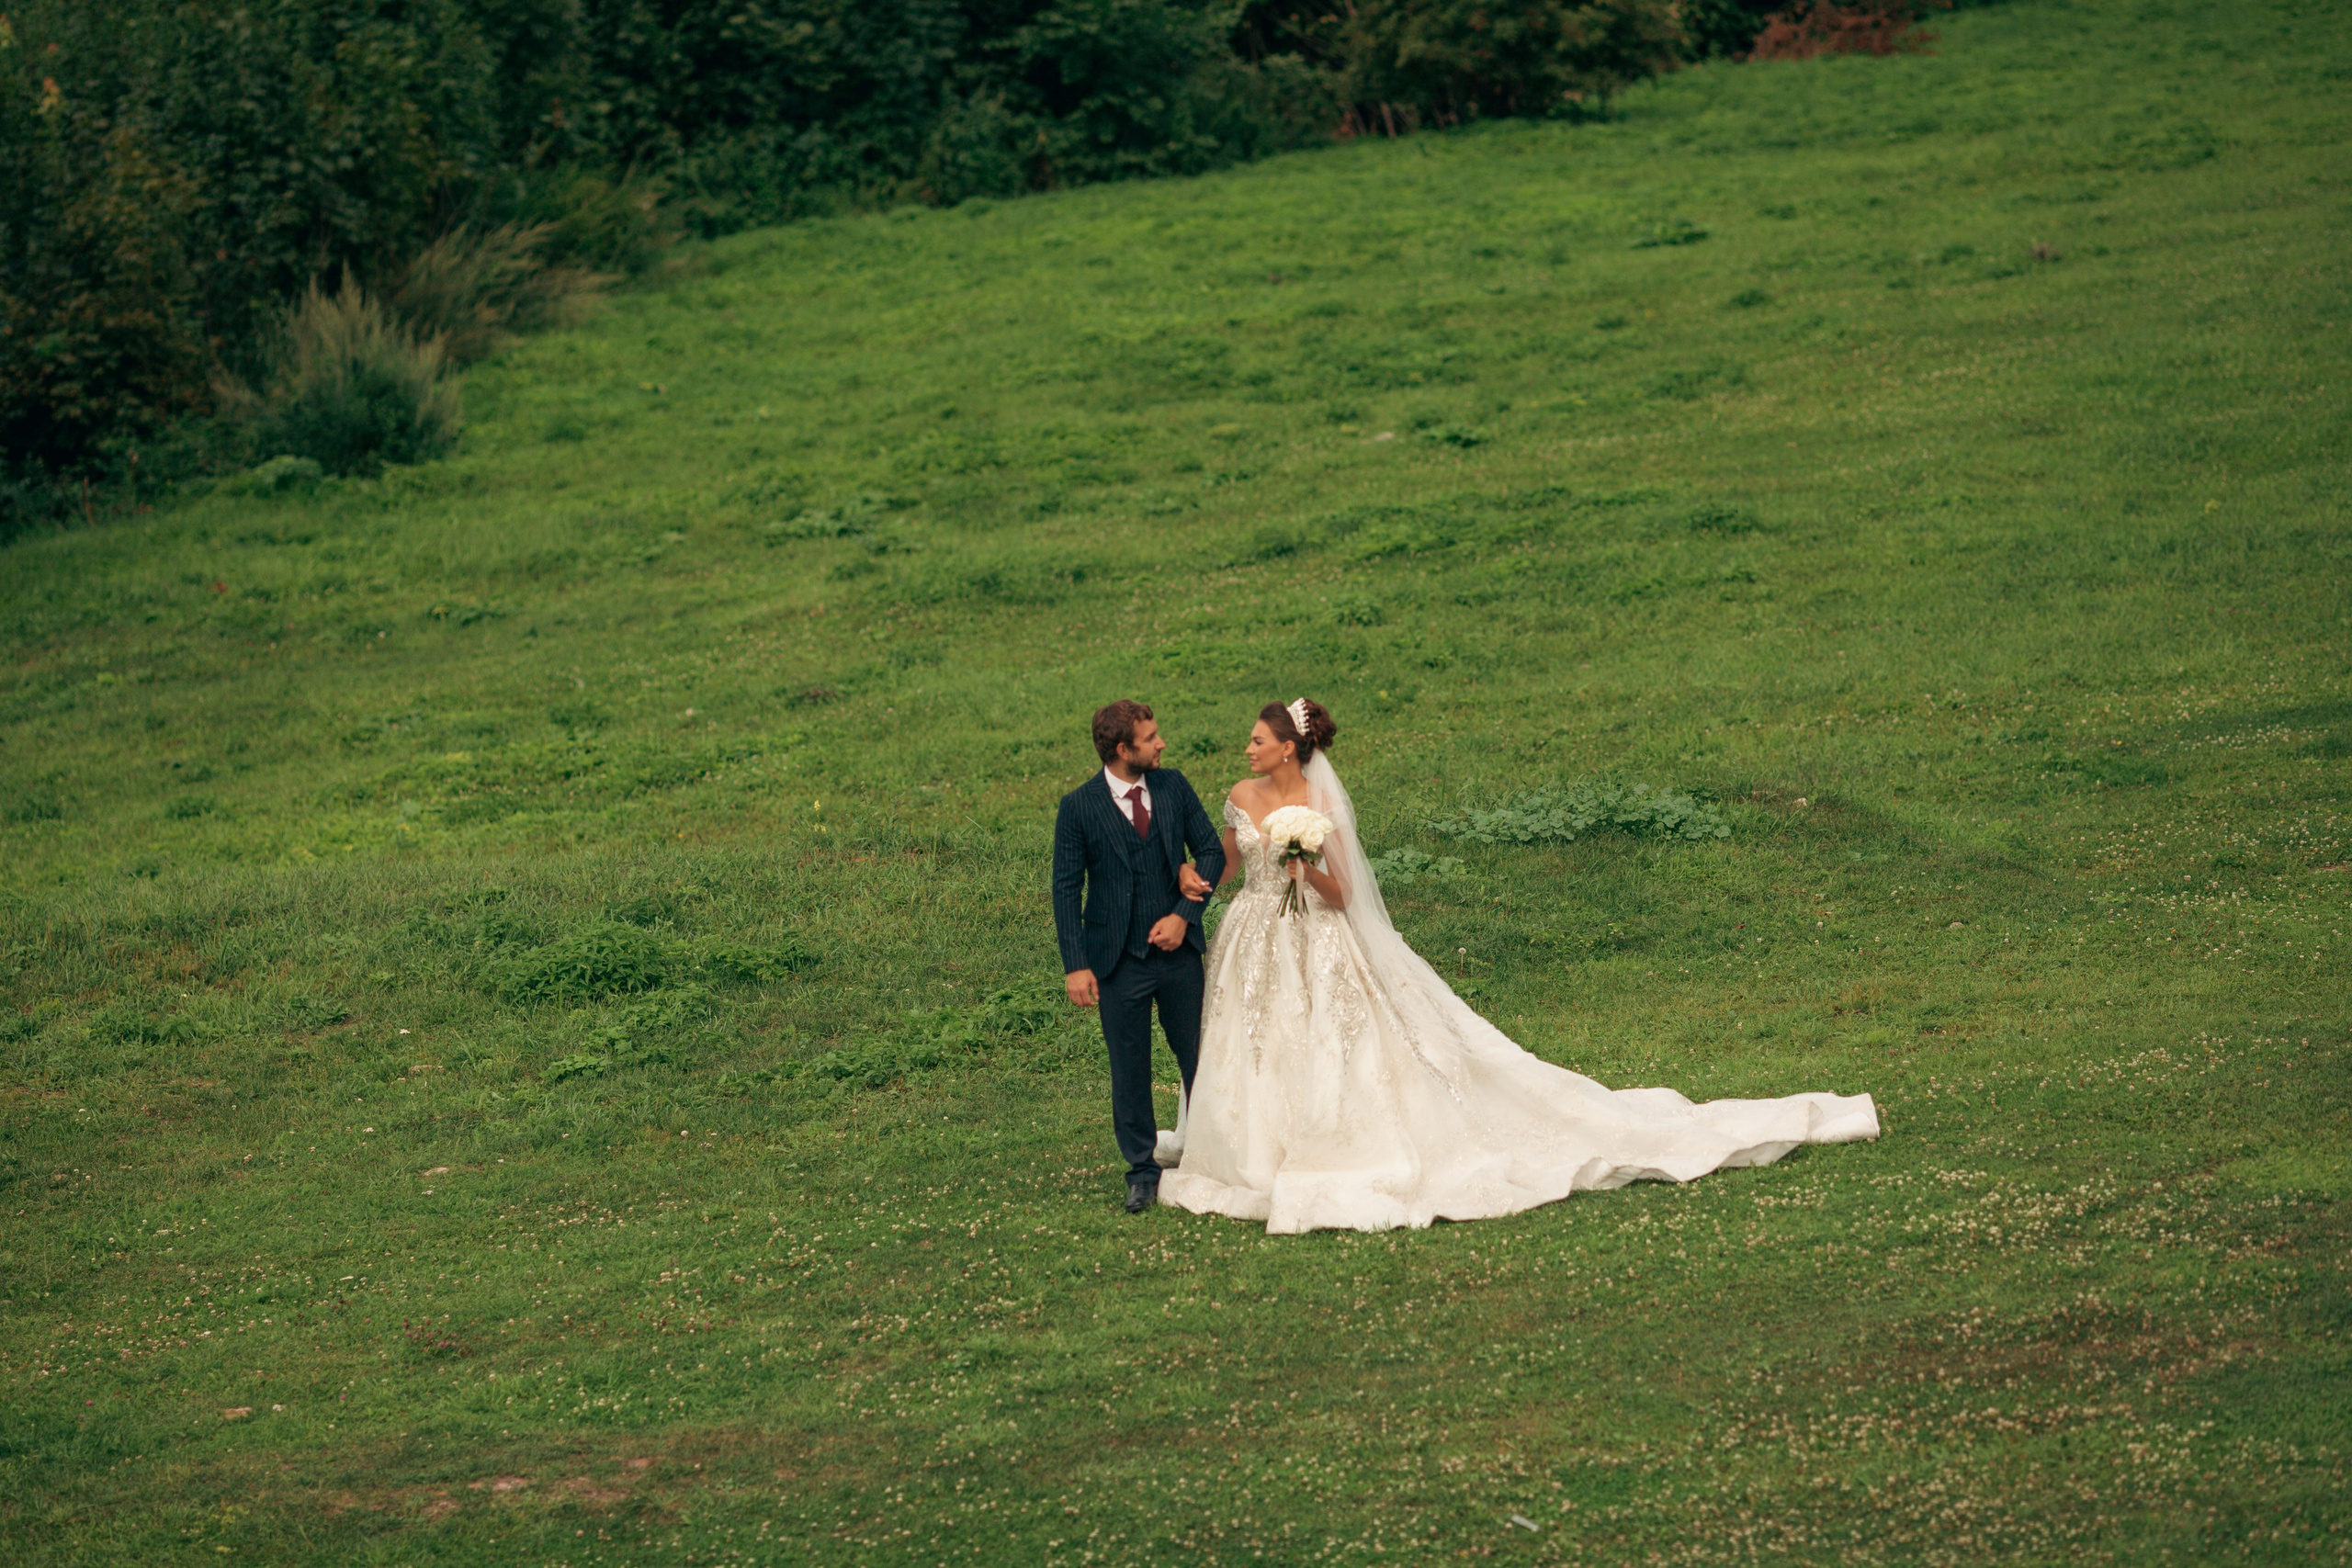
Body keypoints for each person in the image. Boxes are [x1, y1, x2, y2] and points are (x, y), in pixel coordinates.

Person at [1156, 698, 1880, 1235]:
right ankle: (1250, 1148)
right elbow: (1225, 865)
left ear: (1289, 748)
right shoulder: (1244, 797)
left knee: (1332, 1041)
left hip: (1319, 934)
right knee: (1255, 1039)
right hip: (1255, 937)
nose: (1245, 750)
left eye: (1256, 741)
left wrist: (1303, 867)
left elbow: (1344, 893)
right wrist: (1196, 883)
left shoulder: (1318, 803)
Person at [1051, 700, 1227, 1214]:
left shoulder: (1173, 786)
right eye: (1151, 738)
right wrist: (1075, 964)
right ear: (1122, 749)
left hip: (1178, 957)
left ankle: (1208, 1154)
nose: (1161, 743)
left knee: (1198, 1056)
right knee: (1128, 1068)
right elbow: (1066, 888)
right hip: (1116, 959)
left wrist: (1184, 914)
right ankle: (1142, 1172)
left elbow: (1212, 852)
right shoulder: (1079, 807)